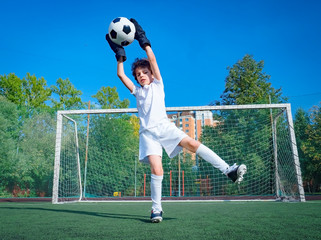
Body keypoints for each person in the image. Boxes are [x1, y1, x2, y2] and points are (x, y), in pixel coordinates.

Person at [106, 18, 247, 223]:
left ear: (152, 75)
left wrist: (142, 40)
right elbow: (120, 74)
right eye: (138, 74)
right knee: (157, 169)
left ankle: (228, 170)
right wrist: (119, 53)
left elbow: (152, 60)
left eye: (145, 72)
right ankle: (156, 210)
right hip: (148, 135)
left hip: (165, 127)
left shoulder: (158, 85)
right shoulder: (137, 92)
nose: (142, 75)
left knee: (192, 143)